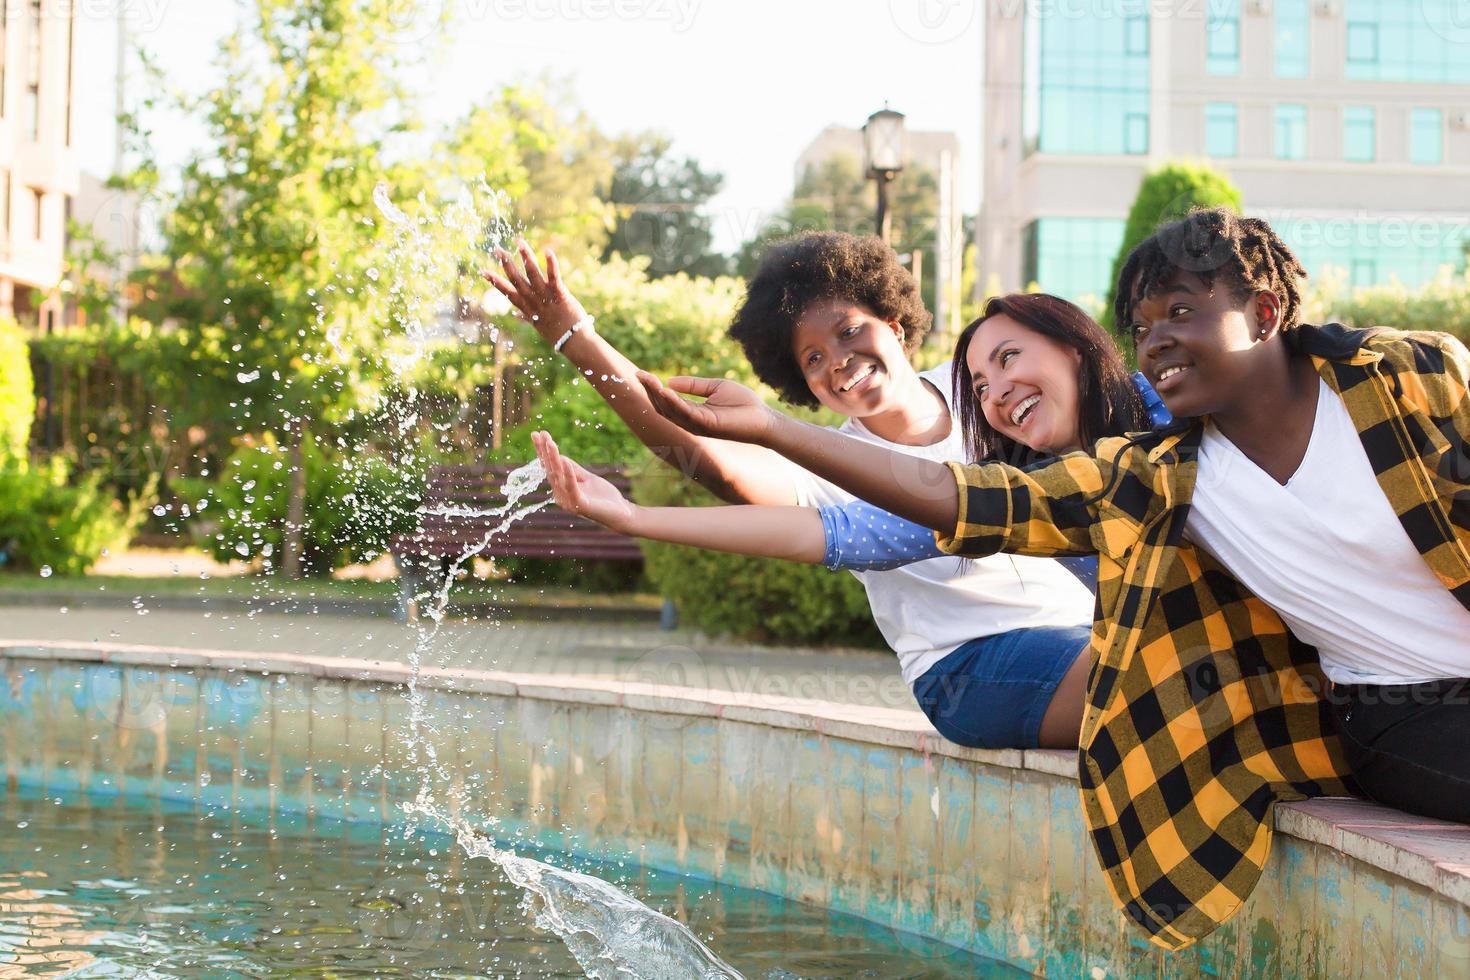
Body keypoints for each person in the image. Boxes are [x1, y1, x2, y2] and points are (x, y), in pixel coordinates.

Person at [637, 208, 1468, 949]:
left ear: (1264, 311)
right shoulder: (1140, 478)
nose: (996, 396)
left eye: (1180, 312)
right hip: (1384, 712)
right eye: (1146, 326)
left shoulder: (1399, 377)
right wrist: (725, 456)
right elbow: (933, 506)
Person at [485, 235, 1123, 750]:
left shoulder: (985, 392)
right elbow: (698, 449)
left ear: (895, 326)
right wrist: (574, 334)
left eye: (848, 332)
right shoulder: (827, 464)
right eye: (812, 359)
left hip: (1082, 629)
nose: (838, 361)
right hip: (971, 671)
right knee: (1151, 678)